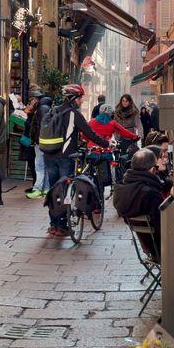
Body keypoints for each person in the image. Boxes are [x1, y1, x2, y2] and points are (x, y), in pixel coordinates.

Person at [43, 83, 109, 236]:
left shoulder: (54, 110)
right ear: (73, 98)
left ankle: (53, 225)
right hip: (65, 158)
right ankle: (61, 226)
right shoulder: (73, 114)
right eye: (80, 98)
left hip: (49, 155)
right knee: (64, 191)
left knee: (54, 191)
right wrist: (106, 143)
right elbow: (90, 133)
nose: (81, 101)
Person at [113, 148, 166, 254]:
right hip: (163, 249)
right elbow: (164, 227)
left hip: (148, 247)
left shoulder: (122, 191)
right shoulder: (150, 194)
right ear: (152, 170)